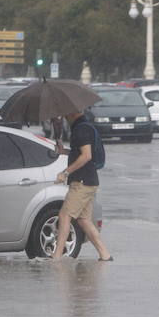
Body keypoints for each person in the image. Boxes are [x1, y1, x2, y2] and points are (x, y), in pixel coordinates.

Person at [50, 111, 113, 261]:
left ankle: (57, 256)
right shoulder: (83, 127)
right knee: (83, 220)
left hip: (82, 182)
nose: (64, 116)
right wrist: (63, 151)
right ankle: (105, 255)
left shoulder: (81, 129)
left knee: (64, 216)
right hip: (89, 181)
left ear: (73, 114)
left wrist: (65, 173)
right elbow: (80, 153)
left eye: (66, 114)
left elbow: (86, 156)